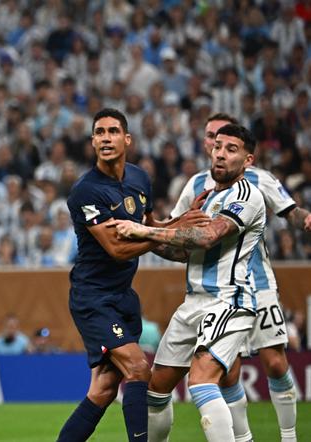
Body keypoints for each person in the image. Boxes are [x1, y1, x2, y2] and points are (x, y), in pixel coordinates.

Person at [159, 113, 310, 442]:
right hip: (211, 289)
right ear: (206, 144)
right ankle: (243, 438)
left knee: (273, 361)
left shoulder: (258, 181)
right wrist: (149, 228)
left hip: (257, 282)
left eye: (226, 141)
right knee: (226, 374)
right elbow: (175, 226)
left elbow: (290, 211)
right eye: (213, 138)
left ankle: (289, 437)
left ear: (244, 154)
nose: (218, 146)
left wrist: (307, 219)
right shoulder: (196, 185)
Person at [57, 108, 204, 442]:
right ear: (92, 141)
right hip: (93, 298)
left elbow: (150, 230)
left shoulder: (139, 179)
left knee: (104, 389)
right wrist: (167, 231)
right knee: (139, 369)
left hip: (123, 296)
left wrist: (181, 229)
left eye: (112, 131)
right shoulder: (86, 191)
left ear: (127, 139)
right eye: (99, 133)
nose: (105, 138)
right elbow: (118, 248)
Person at [114, 123, 266, 442]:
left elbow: (208, 236)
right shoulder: (207, 198)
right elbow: (182, 251)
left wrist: (146, 232)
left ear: (248, 160)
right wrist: (151, 229)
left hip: (230, 301)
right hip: (192, 303)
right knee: (156, 391)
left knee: (201, 382)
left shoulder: (248, 196)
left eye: (231, 149)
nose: (221, 154)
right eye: (218, 146)